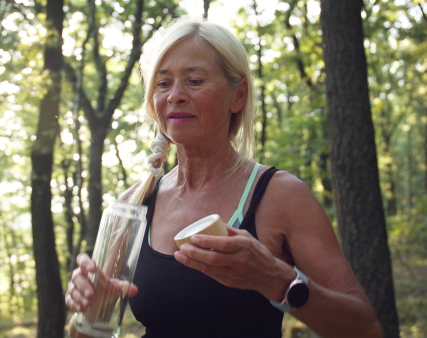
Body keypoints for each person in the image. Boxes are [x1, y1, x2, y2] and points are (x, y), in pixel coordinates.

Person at [65, 16, 382, 338]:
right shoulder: (133, 204)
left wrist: (277, 279)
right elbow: (88, 333)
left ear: (238, 95)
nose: (175, 94)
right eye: (163, 83)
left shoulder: (281, 196)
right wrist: (87, 310)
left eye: (195, 81)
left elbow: (365, 329)